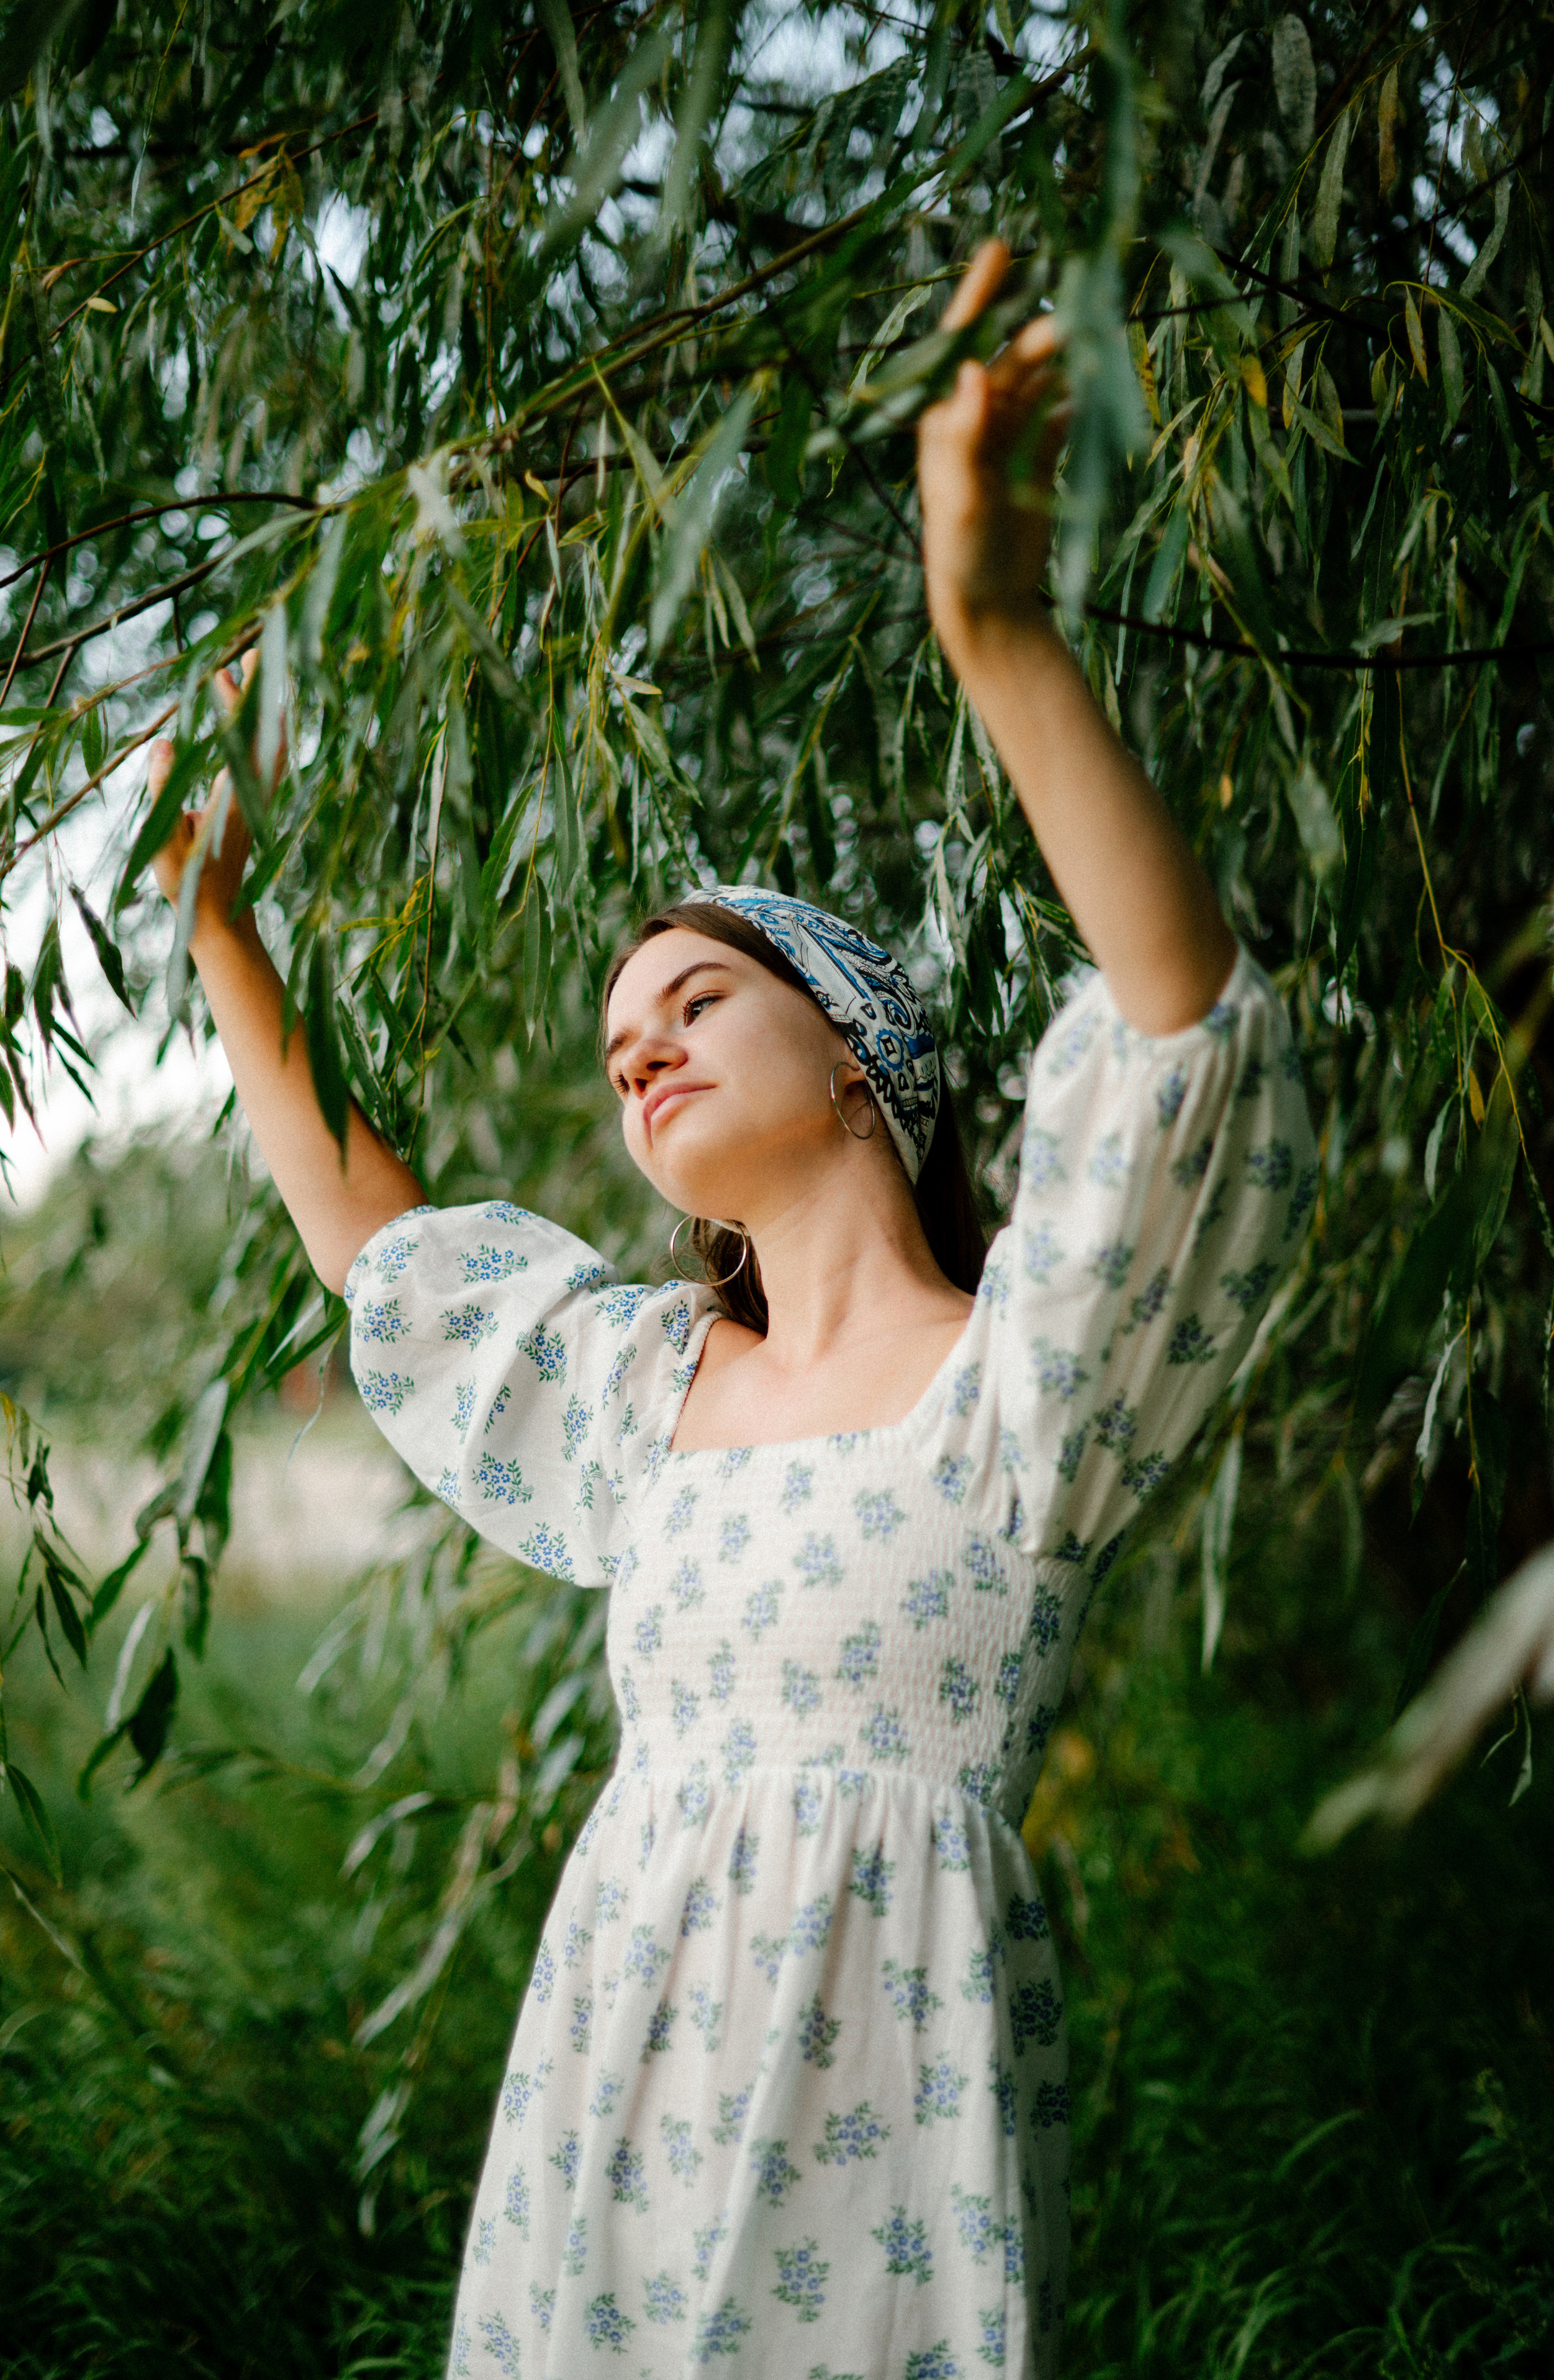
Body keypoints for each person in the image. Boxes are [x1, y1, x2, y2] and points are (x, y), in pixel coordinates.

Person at [150, 242, 1316, 2378]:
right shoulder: (646, 1389)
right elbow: (374, 1245)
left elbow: (1185, 1034)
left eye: (699, 998)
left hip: (897, 2138)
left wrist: (999, 633)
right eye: (621, 1048)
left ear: (861, 1053)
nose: (646, 1052)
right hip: (618, 2100)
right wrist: (220, 931)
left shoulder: (1024, 1385)